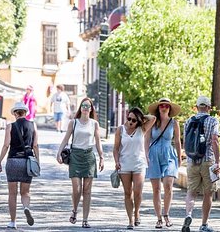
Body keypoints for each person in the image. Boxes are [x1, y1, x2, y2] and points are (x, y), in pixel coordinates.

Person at [56, 97, 105, 228]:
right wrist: (59, 153)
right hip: (76, 156)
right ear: (80, 107)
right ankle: (75, 210)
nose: (85, 108)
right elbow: (66, 139)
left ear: (91, 109)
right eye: (83, 105)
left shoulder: (94, 124)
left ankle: (85, 220)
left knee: (87, 190)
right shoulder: (74, 123)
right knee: (77, 189)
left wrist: (101, 157)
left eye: (88, 106)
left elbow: (98, 142)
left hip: (89, 156)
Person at [0, 101, 40, 230]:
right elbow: (35, 146)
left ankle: (13, 222)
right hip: (27, 162)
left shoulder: (10, 127)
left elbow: (6, 145)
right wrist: (37, 161)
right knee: (25, 193)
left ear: (15, 113)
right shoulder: (33, 125)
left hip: (13, 161)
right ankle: (26, 207)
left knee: (12, 194)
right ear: (25, 113)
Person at [181, 96, 220, 232]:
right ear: (209, 107)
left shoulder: (188, 121)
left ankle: (188, 215)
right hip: (208, 161)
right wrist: (218, 162)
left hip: (192, 161)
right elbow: (215, 141)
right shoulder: (213, 121)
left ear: (197, 107)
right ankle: (204, 224)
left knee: (191, 192)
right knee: (208, 193)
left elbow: (185, 141)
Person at [113, 107, 156, 229]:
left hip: (139, 164)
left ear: (138, 121)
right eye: (129, 119)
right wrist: (116, 162)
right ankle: (130, 220)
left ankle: (137, 212)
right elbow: (116, 148)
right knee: (127, 193)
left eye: (134, 120)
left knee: (137, 192)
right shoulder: (120, 130)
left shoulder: (142, 129)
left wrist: (142, 118)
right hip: (124, 164)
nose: (131, 122)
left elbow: (153, 118)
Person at [146, 97, 182, 229]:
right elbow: (146, 139)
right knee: (156, 189)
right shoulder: (152, 122)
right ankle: (159, 218)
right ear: (158, 108)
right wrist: (145, 155)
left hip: (169, 154)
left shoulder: (174, 123)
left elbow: (177, 141)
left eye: (167, 106)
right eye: (161, 105)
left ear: (170, 108)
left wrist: (179, 156)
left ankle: (166, 214)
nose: (164, 107)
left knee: (168, 185)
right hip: (154, 154)